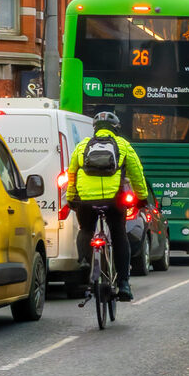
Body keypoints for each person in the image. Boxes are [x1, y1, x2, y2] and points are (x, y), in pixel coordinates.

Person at [67, 112, 150, 301]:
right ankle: (123, 284)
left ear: (95, 128)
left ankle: (85, 262)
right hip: (114, 200)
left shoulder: (82, 146)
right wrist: (142, 198)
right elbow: (137, 174)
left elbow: (72, 174)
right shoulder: (123, 145)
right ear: (116, 128)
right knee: (119, 234)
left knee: (86, 229)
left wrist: (72, 198)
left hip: (86, 200)